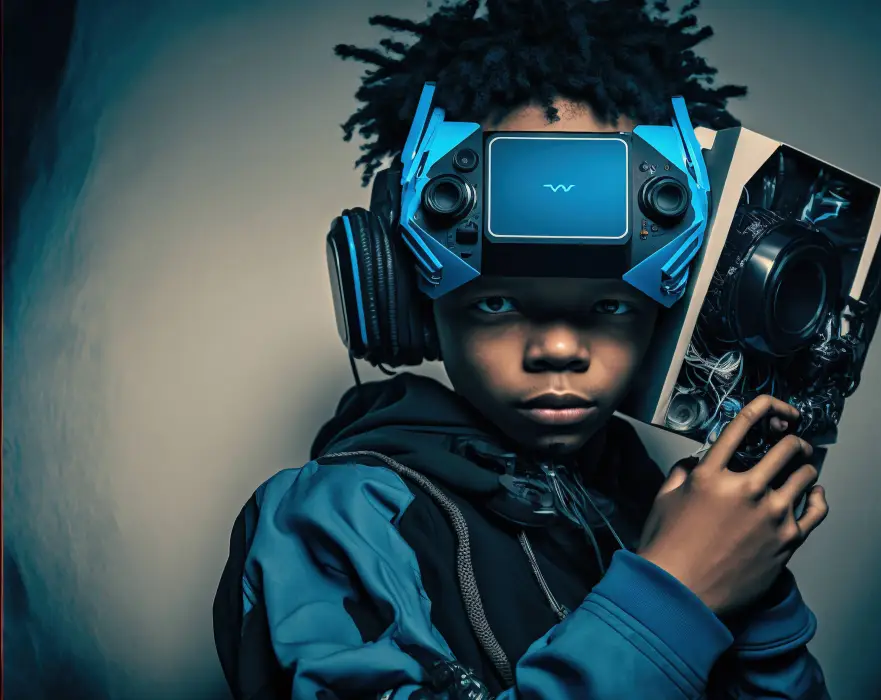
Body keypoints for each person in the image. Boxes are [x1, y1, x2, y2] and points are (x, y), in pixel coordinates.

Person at [213, 1, 831, 698]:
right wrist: (672, 597)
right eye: (496, 303)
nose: (559, 349)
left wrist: (753, 586)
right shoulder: (333, 520)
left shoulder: (657, 501)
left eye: (611, 305)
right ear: (413, 303)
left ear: (672, 310)